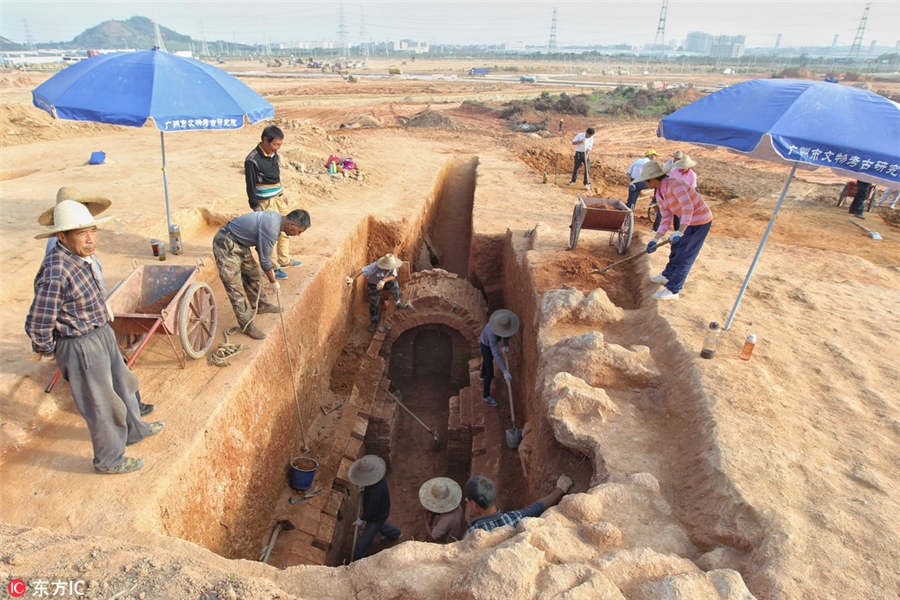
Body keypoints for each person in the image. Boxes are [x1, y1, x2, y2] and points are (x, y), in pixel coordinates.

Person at [26, 200, 164, 474]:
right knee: (101, 403)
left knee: (124, 384)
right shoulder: (56, 270)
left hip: (100, 332)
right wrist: (50, 348)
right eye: (81, 233)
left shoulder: (82, 259)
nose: (90, 239)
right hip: (80, 344)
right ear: (61, 237)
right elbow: (39, 320)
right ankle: (109, 459)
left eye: (93, 231)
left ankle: (135, 430)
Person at [38, 188, 153, 416]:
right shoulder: (61, 254)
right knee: (110, 370)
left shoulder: (80, 244)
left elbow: (91, 279)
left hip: (93, 318)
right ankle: (126, 414)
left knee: (117, 368)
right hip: (83, 327)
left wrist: (103, 303)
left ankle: (132, 410)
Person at [213, 209, 310, 340]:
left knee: (253, 273)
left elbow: (261, 248)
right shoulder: (272, 228)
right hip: (226, 243)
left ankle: (261, 305)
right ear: (292, 225)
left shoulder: (276, 219)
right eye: (299, 231)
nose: (297, 235)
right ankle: (247, 325)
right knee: (235, 288)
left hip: (240, 243)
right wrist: (273, 281)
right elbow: (265, 260)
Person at [634, 161, 713, 301]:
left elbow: (688, 208)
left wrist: (680, 231)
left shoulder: (675, 185)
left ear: (653, 179)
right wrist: (655, 239)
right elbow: (666, 217)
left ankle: (674, 289)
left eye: (646, 181)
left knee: (685, 254)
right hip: (687, 221)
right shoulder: (659, 193)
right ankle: (667, 275)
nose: (645, 184)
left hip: (700, 221)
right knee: (676, 247)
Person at [244, 125, 301, 280]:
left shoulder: (274, 155)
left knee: (286, 229)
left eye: (280, 145)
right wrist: (257, 209)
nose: (277, 148)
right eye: (275, 144)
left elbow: (276, 176)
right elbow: (250, 186)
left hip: (277, 199)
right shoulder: (252, 160)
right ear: (265, 140)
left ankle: (284, 259)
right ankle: (274, 267)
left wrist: (281, 193)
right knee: (271, 235)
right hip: (265, 203)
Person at [464, 473, 573, 536]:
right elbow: (537, 507)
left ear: (473, 504)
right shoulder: (514, 517)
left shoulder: (472, 534)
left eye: (467, 501)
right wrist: (560, 489)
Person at [349, 455, 400, 559]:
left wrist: (362, 519)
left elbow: (371, 509)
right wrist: (364, 487)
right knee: (380, 525)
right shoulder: (379, 477)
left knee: (361, 545)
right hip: (382, 511)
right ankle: (395, 534)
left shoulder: (375, 492)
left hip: (376, 516)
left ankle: (361, 561)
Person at [345, 253, 411, 332]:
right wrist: (352, 278)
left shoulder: (392, 265)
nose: (389, 269)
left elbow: (393, 276)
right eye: (387, 268)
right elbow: (362, 270)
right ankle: (374, 322)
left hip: (384, 282)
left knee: (394, 283)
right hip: (373, 285)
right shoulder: (375, 267)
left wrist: (383, 281)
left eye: (390, 268)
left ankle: (398, 302)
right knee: (374, 303)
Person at [479, 309, 519, 407]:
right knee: (490, 372)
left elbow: (506, 332)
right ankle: (486, 396)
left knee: (488, 360)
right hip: (485, 345)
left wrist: (506, 345)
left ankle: (482, 375)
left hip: (489, 343)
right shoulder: (491, 333)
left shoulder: (504, 322)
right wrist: (505, 371)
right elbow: (496, 354)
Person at [419, 477, 464, 543]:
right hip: (456, 529)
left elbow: (432, 536)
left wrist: (425, 519)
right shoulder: (457, 505)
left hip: (450, 541)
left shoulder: (446, 520)